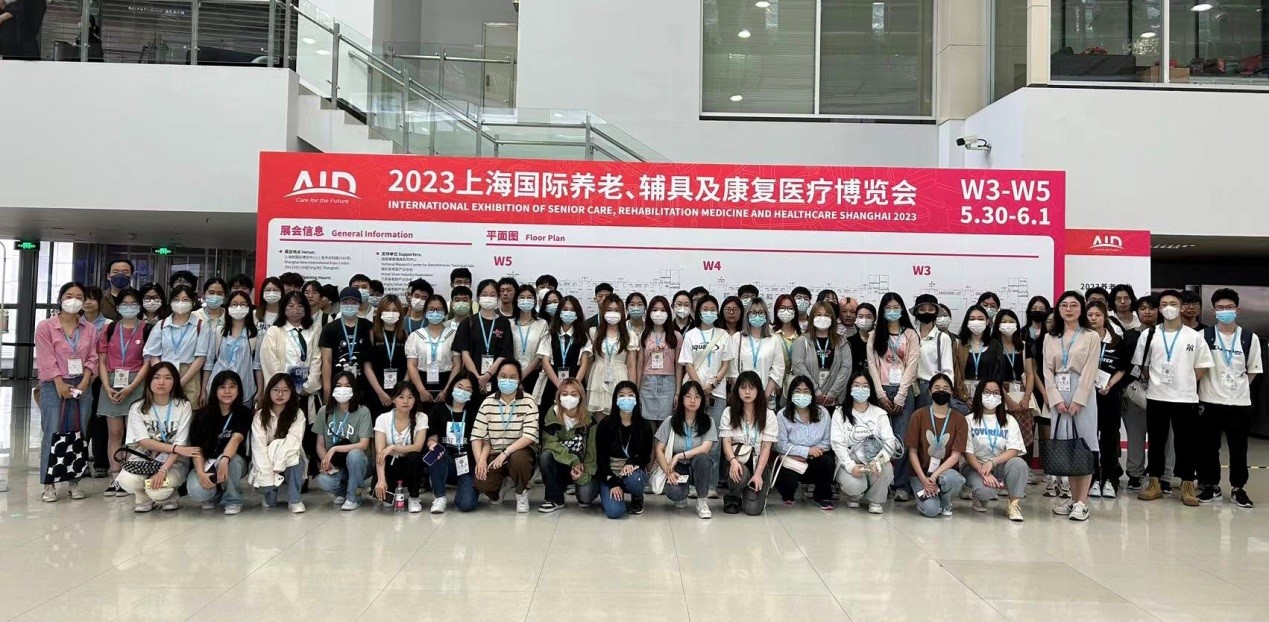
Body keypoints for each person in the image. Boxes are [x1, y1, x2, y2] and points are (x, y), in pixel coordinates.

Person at [1132, 289, 1215, 506]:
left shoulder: (1194, 336)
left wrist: (1184, 381)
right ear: (1160, 309)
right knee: (1156, 442)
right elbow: (1144, 367)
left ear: (1181, 307)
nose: (1169, 307)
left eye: (1173, 303)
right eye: (1164, 304)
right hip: (1156, 396)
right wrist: (1159, 382)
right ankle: (1155, 483)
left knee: (1186, 444)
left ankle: (1187, 485)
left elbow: (1201, 367)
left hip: (1185, 398)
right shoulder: (1149, 335)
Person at [1197, 288, 1261, 508]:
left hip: (1239, 402)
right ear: (1214, 310)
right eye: (1220, 308)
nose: (1225, 311)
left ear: (1237, 309)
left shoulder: (1249, 337)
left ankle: (1238, 488)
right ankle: (1211, 486)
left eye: (1229, 307)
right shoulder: (1204, 336)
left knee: (1238, 448)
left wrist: (1238, 388)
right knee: (1208, 447)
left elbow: (1253, 370)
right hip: (1209, 400)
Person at [35, 282, 99, 503]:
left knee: (79, 432)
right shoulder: (46, 326)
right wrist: (59, 382)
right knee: (52, 432)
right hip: (54, 385)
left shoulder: (89, 329)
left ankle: (74, 481)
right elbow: (46, 357)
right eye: (69, 295)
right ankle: (49, 484)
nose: (74, 300)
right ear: (61, 299)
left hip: (82, 384)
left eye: (79, 296)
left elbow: (93, 357)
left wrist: (86, 380)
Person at [1043, 291, 1102, 521]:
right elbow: (1047, 370)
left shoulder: (1091, 336)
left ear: (1082, 309)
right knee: (1066, 446)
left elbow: (1090, 369)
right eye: (1064, 305)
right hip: (1058, 394)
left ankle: (1082, 502)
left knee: (1084, 446)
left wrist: (1079, 399)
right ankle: (1073, 499)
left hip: (1081, 394)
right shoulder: (1050, 337)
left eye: (1074, 305)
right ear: (1058, 309)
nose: (1069, 309)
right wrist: (1055, 398)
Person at [117, 363, 196, 512]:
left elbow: (181, 444)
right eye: (156, 377)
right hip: (144, 457)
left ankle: (168, 497)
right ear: (149, 381)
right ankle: (143, 498)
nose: (161, 382)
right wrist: (174, 447)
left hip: (174, 461)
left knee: (159, 491)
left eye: (167, 378)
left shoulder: (183, 405)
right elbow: (144, 442)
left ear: (174, 382)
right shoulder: (137, 407)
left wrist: (163, 470)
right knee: (126, 481)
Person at [96, 287, 152, 496]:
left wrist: (131, 387)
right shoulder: (109, 329)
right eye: (124, 304)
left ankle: (131, 476)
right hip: (111, 384)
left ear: (140, 306)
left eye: (133, 304)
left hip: (136, 385)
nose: (129, 307)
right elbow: (101, 361)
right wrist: (106, 386)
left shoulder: (147, 329)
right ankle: (115, 477)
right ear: (118, 307)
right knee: (115, 433)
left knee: (134, 434)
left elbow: (148, 362)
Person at [866, 292, 919, 501]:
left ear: (902, 309)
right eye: (888, 308)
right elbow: (872, 365)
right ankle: (881, 482)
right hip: (881, 390)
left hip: (903, 391)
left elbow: (912, 365)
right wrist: (880, 394)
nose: (892, 311)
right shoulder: (874, 335)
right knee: (879, 438)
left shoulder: (911, 335)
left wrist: (901, 395)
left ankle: (901, 485)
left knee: (902, 439)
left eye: (896, 307)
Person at [471, 360, 539, 512]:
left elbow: (529, 436)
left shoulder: (529, 401)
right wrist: (480, 460)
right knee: (482, 482)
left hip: (520, 451)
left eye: (512, 377)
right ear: (497, 378)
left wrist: (505, 453)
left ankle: (521, 492)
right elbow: (477, 436)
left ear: (519, 379)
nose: (507, 380)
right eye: (503, 376)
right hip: (494, 452)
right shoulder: (488, 402)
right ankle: (504, 484)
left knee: (519, 460)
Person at [679, 295, 736, 473]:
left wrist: (712, 385)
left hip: (717, 393)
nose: (709, 313)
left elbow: (726, 364)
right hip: (693, 394)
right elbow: (688, 364)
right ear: (698, 312)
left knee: (714, 440)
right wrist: (699, 389)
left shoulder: (723, 335)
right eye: (705, 309)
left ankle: (710, 483)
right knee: (692, 436)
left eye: (712, 309)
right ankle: (691, 480)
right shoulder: (691, 335)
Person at [1123, 295, 1173, 492]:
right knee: (1135, 434)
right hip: (1137, 390)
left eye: (1152, 308)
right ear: (1137, 312)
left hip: (1165, 391)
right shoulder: (1129, 335)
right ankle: (1135, 474)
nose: (1147, 312)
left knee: (1166, 437)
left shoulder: (1169, 334)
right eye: (1142, 308)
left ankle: (1164, 476)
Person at [185, 370, 251, 515]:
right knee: (197, 491)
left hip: (234, 460)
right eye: (222, 387)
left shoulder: (244, 412)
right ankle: (216, 494)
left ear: (239, 390)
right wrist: (201, 473)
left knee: (230, 461)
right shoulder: (201, 415)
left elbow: (236, 438)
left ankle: (233, 499)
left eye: (232, 387)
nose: (227, 391)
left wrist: (225, 459)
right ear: (215, 390)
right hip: (207, 462)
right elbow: (196, 448)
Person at [961, 380, 1029, 521]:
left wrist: (992, 462)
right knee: (985, 492)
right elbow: (967, 453)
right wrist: (983, 471)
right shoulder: (968, 420)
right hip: (975, 467)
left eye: (996, 393)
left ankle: (1013, 504)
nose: (991, 396)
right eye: (987, 392)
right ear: (979, 394)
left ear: (1001, 397)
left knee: (1019, 464)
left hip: (999, 465)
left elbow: (1014, 450)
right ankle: (980, 496)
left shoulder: (1010, 420)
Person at [831, 371, 897, 514]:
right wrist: (850, 466)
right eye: (856, 385)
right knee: (854, 485)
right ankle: (855, 495)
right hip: (850, 461)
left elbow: (890, 443)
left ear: (870, 389)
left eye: (865, 386)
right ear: (850, 388)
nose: (860, 389)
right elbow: (837, 443)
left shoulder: (880, 414)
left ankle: (875, 500)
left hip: (873, 461)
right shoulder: (840, 412)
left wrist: (878, 462)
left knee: (886, 469)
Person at [905, 373, 967, 518]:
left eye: (946, 388)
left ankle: (945, 500)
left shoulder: (959, 419)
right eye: (937, 388)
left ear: (952, 392)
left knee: (954, 478)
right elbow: (912, 452)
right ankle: (931, 498)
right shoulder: (918, 415)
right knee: (931, 511)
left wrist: (934, 477)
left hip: (945, 473)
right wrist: (924, 479)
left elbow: (955, 455)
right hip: (921, 474)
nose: (941, 391)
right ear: (930, 391)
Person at [654, 380, 716, 519]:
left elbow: (705, 448)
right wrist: (668, 471)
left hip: (697, 464)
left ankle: (702, 500)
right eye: (688, 396)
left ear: (702, 400)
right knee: (675, 493)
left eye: (697, 397)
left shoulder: (708, 422)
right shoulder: (671, 421)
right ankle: (681, 495)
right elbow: (659, 449)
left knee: (703, 459)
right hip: (678, 467)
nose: (693, 400)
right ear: (681, 399)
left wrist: (679, 455)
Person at [312, 371, 373, 511]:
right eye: (339, 386)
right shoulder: (324, 411)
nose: (342, 389)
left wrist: (334, 449)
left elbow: (364, 444)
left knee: (354, 455)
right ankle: (345, 491)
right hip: (337, 464)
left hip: (359, 462)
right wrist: (326, 461)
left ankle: (353, 497)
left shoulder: (363, 411)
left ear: (354, 389)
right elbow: (320, 445)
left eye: (347, 386)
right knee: (322, 480)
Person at [1086, 300, 1129, 498]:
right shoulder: (1082, 339)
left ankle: (1110, 479)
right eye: (1090, 315)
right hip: (1087, 397)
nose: (1093, 318)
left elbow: (1122, 368)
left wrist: (1110, 384)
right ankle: (1093, 479)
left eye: (1098, 315)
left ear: (1105, 317)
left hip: (1109, 396)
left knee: (1110, 439)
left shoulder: (1116, 341)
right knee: (1090, 439)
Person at [719, 371, 777, 515]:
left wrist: (758, 474)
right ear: (737, 389)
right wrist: (733, 461)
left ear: (758, 390)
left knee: (753, 510)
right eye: (743, 387)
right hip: (737, 460)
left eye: (751, 388)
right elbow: (726, 442)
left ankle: (747, 492)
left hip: (759, 463)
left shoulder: (769, 415)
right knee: (740, 475)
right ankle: (733, 495)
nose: (747, 392)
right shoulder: (729, 412)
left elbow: (766, 447)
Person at [773, 375, 836, 509]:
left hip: (816, 458)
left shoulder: (823, 413)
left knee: (828, 461)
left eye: (806, 391)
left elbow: (827, 442)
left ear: (812, 394)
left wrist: (810, 454)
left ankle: (823, 496)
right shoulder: (782, 415)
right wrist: (805, 451)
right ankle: (788, 494)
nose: (802, 395)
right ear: (791, 394)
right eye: (797, 391)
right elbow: (780, 445)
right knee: (787, 482)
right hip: (792, 460)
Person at [537, 378, 599, 512]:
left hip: (581, 468)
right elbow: (549, 444)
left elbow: (592, 453)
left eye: (574, 394)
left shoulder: (589, 420)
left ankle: (578, 488)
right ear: (559, 397)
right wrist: (573, 460)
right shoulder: (552, 414)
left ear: (580, 397)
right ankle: (555, 499)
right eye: (564, 394)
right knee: (545, 456)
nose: (569, 398)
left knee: (586, 497)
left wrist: (583, 475)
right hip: (561, 465)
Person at [143, 284, 210, 405]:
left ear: (193, 302)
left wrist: (180, 382)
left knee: (187, 410)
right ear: (170, 302)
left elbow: (201, 357)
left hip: (189, 374)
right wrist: (163, 375)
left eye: (185, 300)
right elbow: (153, 354)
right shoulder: (161, 324)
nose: (180, 303)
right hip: (163, 373)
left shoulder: (201, 325)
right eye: (176, 299)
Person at [250, 374, 308, 512]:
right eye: (275, 390)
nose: (280, 394)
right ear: (269, 391)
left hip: (287, 459)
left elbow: (293, 441)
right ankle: (269, 494)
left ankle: (294, 500)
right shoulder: (260, 416)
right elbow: (258, 447)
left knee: (296, 460)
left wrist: (279, 463)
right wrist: (268, 474)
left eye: (285, 390)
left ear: (291, 392)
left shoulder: (297, 414)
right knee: (269, 501)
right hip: (266, 461)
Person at [424, 372, 481, 513]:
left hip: (466, 465)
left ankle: (465, 488)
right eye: (459, 387)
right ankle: (439, 497)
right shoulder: (438, 410)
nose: (463, 391)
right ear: (452, 387)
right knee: (436, 451)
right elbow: (432, 438)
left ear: (472, 393)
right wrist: (432, 445)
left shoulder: (475, 413)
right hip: (446, 460)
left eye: (468, 389)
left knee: (467, 505)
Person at [595, 381, 653, 518]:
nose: (626, 399)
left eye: (630, 395)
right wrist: (612, 482)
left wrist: (632, 462)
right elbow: (601, 458)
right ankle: (610, 492)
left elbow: (646, 455)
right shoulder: (605, 424)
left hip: (633, 472)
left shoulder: (644, 425)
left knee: (634, 480)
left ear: (636, 399)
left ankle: (637, 496)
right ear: (615, 400)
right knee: (615, 512)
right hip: (610, 472)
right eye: (621, 395)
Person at [373, 383, 428, 512]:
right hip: (390, 465)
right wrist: (381, 480)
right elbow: (380, 454)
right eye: (401, 397)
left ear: (415, 399)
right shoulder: (382, 419)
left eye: (410, 397)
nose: (406, 401)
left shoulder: (421, 417)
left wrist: (393, 447)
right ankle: (391, 487)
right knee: (386, 503)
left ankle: (414, 497)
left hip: (410, 466)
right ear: (393, 399)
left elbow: (418, 447)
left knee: (415, 457)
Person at [201, 290, 261, 407]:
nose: (238, 307)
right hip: (218, 387)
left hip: (245, 388)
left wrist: (260, 390)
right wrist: (203, 390)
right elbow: (209, 363)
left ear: (249, 308)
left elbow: (257, 365)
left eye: (242, 304)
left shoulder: (255, 334)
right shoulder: (218, 331)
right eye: (234, 304)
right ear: (228, 307)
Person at [535, 295, 590, 424]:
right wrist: (559, 385)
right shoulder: (549, 335)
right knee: (551, 419)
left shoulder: (583, 336)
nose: (568, 313)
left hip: (576, 382)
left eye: (572, 310)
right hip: (552, 383)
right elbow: (545, 362)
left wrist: (574, 386)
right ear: (559, 312)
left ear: (577, 313)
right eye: (565, 309)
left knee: (576, 418)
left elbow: (584, 363)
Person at [259, 292, 322, 401]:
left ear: (306, 309)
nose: (295, 310)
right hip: (282, 391)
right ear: (284, 308)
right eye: (291, 306)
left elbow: (317, 359)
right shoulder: (274, 332)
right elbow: (270, 362)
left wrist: (309, 386)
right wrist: (284, 387)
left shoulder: (314, 330)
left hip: (307, 390)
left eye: (300, 306)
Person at [582, 294, 638, 417]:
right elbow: (588, 361)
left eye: (616, 310)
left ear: (622, 313)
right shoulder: (594, 332)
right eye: (609, 310)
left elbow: (631, 364)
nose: (612, 313)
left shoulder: (630, 335)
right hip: (597, 378)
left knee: (619, 416)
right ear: (603, 312)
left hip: (620, 377)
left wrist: (632, 388)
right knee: (599, 418)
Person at [454, 279, 513, 394]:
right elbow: (465, 353)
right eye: (484, 295)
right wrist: (477, 377)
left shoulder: (504, 323)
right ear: (478, 297)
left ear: (498, 298)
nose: (488, 298)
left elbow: (504, 354)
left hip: (496, 378)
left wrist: (487, 375)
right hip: (471, 378)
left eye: (492, 295)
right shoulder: (468, 322)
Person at [989, 309, 1035, 454]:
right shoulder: (992, 347)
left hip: (1022, 394)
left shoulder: (1023, 346)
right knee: (1003, 434)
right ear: (997, 325)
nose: (1008, 325)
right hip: (1001, 393)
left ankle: (1025, 465)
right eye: (1004, 322)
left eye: (1011, 322)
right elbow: (993, 377)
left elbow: (1030, 374)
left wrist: (1026, 397)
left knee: (1025, 435)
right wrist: (1008, 400)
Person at [729, 297, 785, 410]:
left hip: (766, 394)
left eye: (761, 312)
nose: (757, 316)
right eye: (753, 313)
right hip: (742, 394)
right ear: (747, 315)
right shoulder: (737, 338)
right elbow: (733, 369)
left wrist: (766, 395)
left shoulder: (774, 339)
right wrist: (741, 392)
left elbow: (778, 369)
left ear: (766, 315)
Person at [791, 301, 850, 407]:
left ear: (832, 318)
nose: (822, 318)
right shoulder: (801, 341)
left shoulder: (842, 342)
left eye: (826, 315)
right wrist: (815, 390)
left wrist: (833, 392)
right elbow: (798, 366)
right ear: (812, 317)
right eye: (818, 315)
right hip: (807, 396)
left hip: (834, 398)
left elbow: (846, 368)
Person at [319, 287, 373, 402]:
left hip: (363, 385)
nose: (349, 305)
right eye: (345, 302)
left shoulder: (368, 326)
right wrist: (327, 389)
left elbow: (370, 360)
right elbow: (326, 361)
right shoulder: (329, 328)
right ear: (340, 304)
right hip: (337, 385)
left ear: (359, 304)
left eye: (353, 302)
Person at [406, 295, 460, 403]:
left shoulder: (453, 335)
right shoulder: (415, 336)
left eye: (439, 309)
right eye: (431, 309)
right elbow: (411, 365)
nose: (435, 312)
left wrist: (446, 391)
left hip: (447, 383)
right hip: (420, 384)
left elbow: (457, 365)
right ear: (425, 312)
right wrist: (421, 390)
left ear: (445, 312)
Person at [638, 295, 681, 426]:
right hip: (647, 383)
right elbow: (639, 365)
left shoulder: (676, 336)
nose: (659, 313)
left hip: (668, 384)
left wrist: (677, 392)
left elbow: (679, 366)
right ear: (649, 312)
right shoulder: (643, 335)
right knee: (647, 425)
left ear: (668, 313)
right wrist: (637, 389)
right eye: (655, 310)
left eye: (663, 310)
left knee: (665, 426)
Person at [364, 295, 409, 410]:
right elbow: (367, 366)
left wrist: (401, 391)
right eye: (387, 310)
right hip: (376, 392)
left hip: (400, 393)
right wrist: (380, 392)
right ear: (380, 312)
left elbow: (410, 366)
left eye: (395, 310)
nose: (391, 314)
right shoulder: (371, 334)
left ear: (400, 313)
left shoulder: (406, 335)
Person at [912, 294, 955, 409]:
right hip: (909, 387)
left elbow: (948, 369)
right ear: (916, 312)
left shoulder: (942, 338)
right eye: (922, 309)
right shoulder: (910, 335)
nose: (927, 312)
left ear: (936, 312)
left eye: (931, 309)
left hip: (931, 387)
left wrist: (945, 391)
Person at [512, 284, 549, 396]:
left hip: (534, 374)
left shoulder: (542, 323)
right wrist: (516, 375)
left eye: (529, 297)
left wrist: (522, 376)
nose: (525, 300)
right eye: (522, 297)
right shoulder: (509, 323)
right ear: (516, 300)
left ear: (535, 300)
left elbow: (541, 353)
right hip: (512, 374)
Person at [772, 294, 802, 398]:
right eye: (782, 308)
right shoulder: (770, 334)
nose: (786, 311)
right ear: (776, 310)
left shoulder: (803, 335)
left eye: (790, 308)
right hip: (774, 385)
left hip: (798, 387)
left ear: (795, 311)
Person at [845, 301, 871, 375]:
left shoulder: (879, 340)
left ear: (874, 319)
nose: (864, 320)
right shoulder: (849, 341)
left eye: (869, 317)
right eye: (861, 317)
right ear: (856, 318)